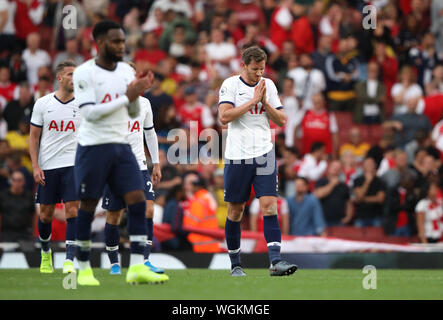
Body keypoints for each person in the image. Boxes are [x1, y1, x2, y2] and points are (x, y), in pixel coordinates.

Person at [72, 20, 168, 286]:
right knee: (88, 207)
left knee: (138, 202)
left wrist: (137, 96)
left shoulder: (126, 71)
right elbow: (89, 112)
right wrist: (128, 96)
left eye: (123, 41)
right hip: (94, 147)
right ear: (100, 43)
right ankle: (83, 267)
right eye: (116, 41)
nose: (122, 46)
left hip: (123, 148)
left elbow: (134, 113)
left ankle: (137, 266)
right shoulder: (84, 73)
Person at [218, 45, 297, 277]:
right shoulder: (230, 85)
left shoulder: (268, 85)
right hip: (237, 156)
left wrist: (265, 102)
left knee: (269, 206)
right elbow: (224, 116)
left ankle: (275, 262)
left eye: (262, 69)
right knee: (236, 210)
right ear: (243, 65)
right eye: (254, 69)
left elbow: (282, 120)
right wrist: (253, 102)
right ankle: (235, 264)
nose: (259, 74)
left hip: (264, 153)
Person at [102, 61, 166, 276]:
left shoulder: (145, 104)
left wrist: (155, 163)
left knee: (147, 209)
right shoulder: (109, 102)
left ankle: (144, 260)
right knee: (114, 215)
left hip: (138, 165)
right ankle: (114, 263)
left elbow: (149, 133)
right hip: (113, 166)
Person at [29, 61, 80, 274]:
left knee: (72, 211)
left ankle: (69, 260)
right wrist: (35, 166)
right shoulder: (43, 103)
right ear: (59, 78)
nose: (73, 78)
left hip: (73, 166)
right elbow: (33, 137)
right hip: (48, 166)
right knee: (45, 216)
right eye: (69, 74)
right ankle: (45, 252)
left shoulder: (85, 104)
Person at [182, 176, 220, 252]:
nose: (192, 188)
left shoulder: (199, 202)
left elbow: (191, 224)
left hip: (201, 245)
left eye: (194, 186)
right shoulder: (207, 197)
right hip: (211, 243)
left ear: (199, 187)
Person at [314, 160, 353, 227]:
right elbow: (317, 195)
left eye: (338, 168)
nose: (336, 169)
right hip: (322, 220)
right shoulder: (321, 181)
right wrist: (332, 184)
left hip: (339, 221)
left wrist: (348, 217)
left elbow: (348, 203)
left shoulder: (344, 186)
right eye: (334, 167)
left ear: (341, 171)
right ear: (329, 168)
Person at [0, 170, 35, 242]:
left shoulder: (29, 196)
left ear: (24, 182)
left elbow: (34, 216)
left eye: (19, 180)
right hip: (7, 232)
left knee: (28, 252)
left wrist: (34, 233)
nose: (17, 183)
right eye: (14, 180)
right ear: (11, 181)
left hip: (25, 233)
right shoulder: (3, 196)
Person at [353, 157, 387, 227]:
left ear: (375, 166)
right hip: (360, 216)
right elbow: (359, 197)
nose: (369, 166)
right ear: (363, 167)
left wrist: (363, 199)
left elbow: (380, 199)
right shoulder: (357, 180)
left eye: (371, 164)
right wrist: (367, 182)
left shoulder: (381, 181)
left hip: (377, 216)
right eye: (367, 164)